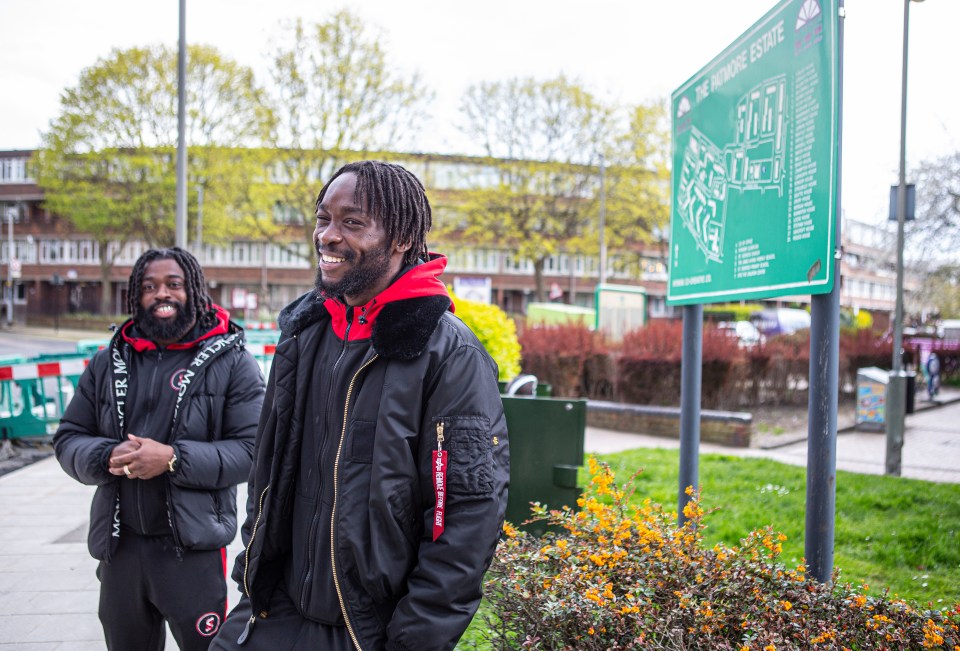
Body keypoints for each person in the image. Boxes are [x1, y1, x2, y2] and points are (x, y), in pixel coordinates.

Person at [211, 160, 510, 651]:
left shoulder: (448, 353)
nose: (328, 235)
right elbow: (268, 477)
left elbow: (467, 518)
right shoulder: (304, 335)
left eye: (352, 222)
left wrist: (413, 641)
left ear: (401, 239)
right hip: (273, 613)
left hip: (367, 631)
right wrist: (250, 585)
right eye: (322, 218)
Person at [54, 247, 265, 650]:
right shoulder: (108, 361)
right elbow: (68, 436)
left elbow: (253, 450)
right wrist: (103, 456)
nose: (161, 295)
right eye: (149, 287)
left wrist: (172, 459)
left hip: (193, 549)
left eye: (173, 285)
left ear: (195, 290)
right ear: (136, 295)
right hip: (120, 548)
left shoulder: (233, 362)